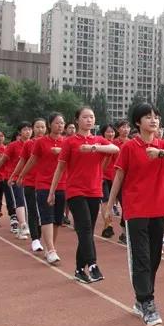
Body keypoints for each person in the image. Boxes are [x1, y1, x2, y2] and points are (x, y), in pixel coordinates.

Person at [106, 103, 164, 326]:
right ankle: (148, 301)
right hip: (136, 209)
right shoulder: (129, 147)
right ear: (138, 122)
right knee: (141, 256)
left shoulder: (162, 145)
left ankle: (140, 297)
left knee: (154, 257)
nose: (153, 120)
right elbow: (119, 177)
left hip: (159, 208)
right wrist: (109, 205)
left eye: (156, 117)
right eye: (148, 117)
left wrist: (161, 153)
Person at [48, 107, 119, 283]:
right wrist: (52, 191)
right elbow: (60, 168)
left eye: (91, 117)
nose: (89, 120)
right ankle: (93, 265)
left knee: (86, 231)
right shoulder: (70, 142)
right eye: (85, 117)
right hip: (75, 191)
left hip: (95, 191)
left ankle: (79, 269)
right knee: (85, 228)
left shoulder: (98, 140)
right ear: (77, 120)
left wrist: (93, 147)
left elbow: (115, 149)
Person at [18, 113, 67, 264]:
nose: (60, 125)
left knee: (57, 220)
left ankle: (49, 248)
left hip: (62, 184)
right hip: (44, 184)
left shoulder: (67, 142)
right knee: (47, 216)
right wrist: (21, 175)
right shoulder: (41, 142)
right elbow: (32, 160)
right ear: (50, 125)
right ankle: (51, 250)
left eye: (62, 123)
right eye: (57, 123)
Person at [0, 122, 33, 238]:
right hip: (14, 178)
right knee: (19, 200)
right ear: (20, 132)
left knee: (29, 203)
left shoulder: (34, 144)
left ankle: (21, 228)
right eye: (25, 129)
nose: (28, 132)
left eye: (29, 129)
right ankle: (23, 224)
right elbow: (2, 160)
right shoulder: (13, 146)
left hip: (30, 178)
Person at [10, 118, 47, 252]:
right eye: (37, 127)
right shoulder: (29, 144)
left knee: (44, 212)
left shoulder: (49, 143)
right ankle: (35, 239)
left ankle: (41, 236)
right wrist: (15, 175)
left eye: (42, 127)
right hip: (30, 182)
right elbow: (22, 162)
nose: (40, 130)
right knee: (32, 210)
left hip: (46, 182)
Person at [97, 123, 118, 239]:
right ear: (103, 133)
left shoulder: (117, 145)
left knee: (111, 201)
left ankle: (107, 226)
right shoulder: (100, 145)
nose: (111, 134)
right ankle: (108, 225)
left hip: (115, 177)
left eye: (112, 131)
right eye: (108, 132)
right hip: (103, 177)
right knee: (105, 201)